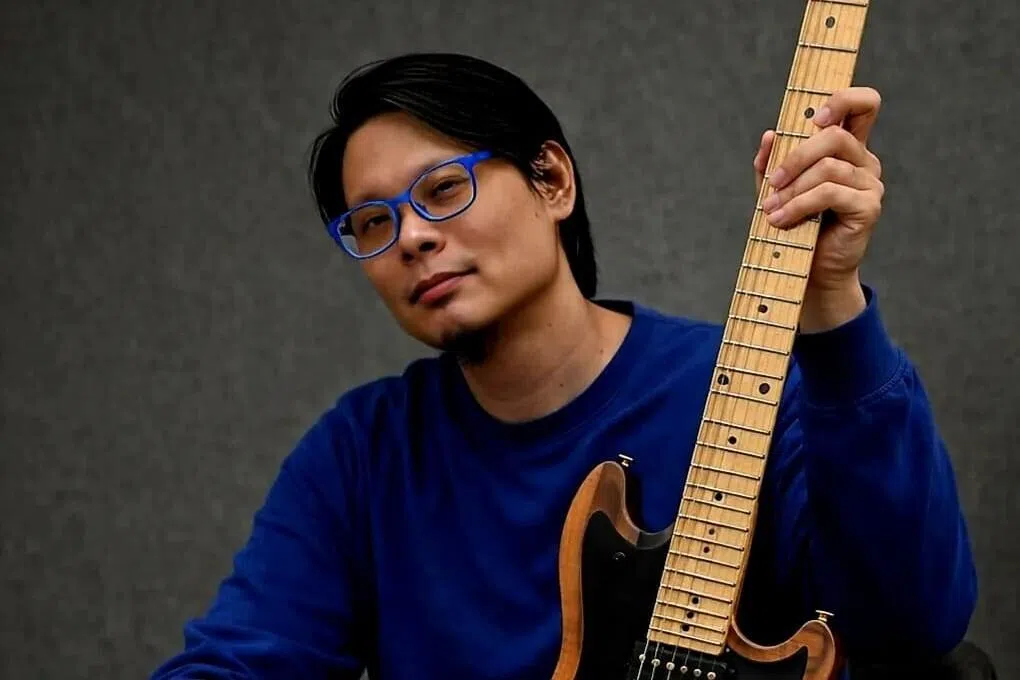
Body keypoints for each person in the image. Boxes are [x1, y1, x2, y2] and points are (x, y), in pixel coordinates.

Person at [151, 52, 977, 679]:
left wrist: (832, 309)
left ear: (551, 181)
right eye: (372, 223)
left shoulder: (747, 389)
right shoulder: (362, 453)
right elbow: (238, 661)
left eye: (442, 189)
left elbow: (914, 631)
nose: (411, 238)